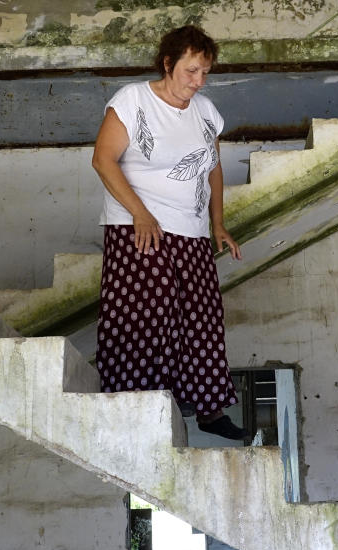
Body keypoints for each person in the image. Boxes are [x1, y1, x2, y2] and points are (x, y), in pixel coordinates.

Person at [91, 25, 246, 441]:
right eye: (191, 71)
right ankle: (136, 404)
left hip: (191, 231)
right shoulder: (133, 100)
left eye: (205, 73)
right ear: (168, 63)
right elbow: (104, 160)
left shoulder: (206, 112)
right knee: (148, 315)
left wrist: (217, 223)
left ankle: (209, 409)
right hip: (139, 228)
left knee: (203, 317)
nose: (198, 81)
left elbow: (212, 168)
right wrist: (141, 214)